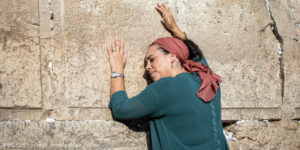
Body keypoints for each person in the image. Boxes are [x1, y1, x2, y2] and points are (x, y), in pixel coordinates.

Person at [106, 3, 229, 150]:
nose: (147, 67)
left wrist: (117, 69)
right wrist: (175, 29)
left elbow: (120, 109)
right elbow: (197, 55)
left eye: (152, 59)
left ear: (172, 57)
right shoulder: (206, 78)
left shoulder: (165, 87)